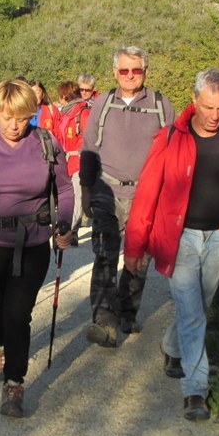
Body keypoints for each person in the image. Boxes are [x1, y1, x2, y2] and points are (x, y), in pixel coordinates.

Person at [124, 68, 219, 421]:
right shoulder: (170, 137)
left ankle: (172, 348)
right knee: (191, 312)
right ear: (194, 101)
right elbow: (147, 194)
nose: (215, 116)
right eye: (208, 107)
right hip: (181, 237)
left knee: (199, 307)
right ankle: (195, 391)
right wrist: (135, 247)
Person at [0, 79, 74, 418]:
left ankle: (14, 382)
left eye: (22, 118)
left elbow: (64, 190)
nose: (14, 126)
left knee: (18, 312)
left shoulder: (46, 143)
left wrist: (63, 223)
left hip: (32, 242)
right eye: (6, 117)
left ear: (31, 114)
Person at [80, 45, 175, 347]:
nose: (131, 75)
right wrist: (85, 192)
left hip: (145, 195)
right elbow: (88, 151)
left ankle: (127, 313)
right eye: (124, 70)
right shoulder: (102, 103)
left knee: (139, 260)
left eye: (137, 70)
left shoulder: (162, 106)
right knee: (105, 255)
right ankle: (105, 322)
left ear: (146, 71)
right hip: (106, 190)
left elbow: (172, 155)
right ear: (114, 72)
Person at [55, 80, 91, 246]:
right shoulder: (67, 113)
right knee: (69, 196)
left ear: (65, 96)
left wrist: (77, 154)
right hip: (66, 161)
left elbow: (88, 137)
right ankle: (69, 230)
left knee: (76, 196)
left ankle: (70, 231)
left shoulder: (82, 113)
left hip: (78, 161)